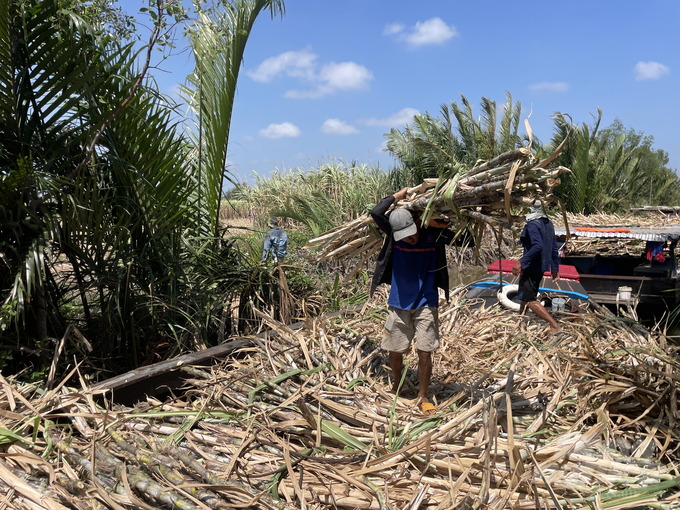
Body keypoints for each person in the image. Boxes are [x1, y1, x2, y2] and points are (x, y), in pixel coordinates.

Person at [370, 187, 455, 416]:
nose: (409, 237)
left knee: (425, 350)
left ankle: (423, 395)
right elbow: (377, 212)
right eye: (404, 235)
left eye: (411, 231)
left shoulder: (432, 232)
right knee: (395, 348)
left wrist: (444, 222)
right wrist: (396, 197)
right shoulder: (394, 233)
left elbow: (463, 236)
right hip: (398, 302)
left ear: (418, 220)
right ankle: (398, 383)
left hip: (427, 300)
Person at [511, 200, 562, 334]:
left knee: (530, 299)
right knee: (525, 295)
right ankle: (519, 322)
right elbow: (553, 247)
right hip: (540, 267)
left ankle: (554, 326)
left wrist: (520, 262)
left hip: (531, 266)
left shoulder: (532, 224)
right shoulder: (548, 223)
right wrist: (555, 268)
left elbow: (537, 246)